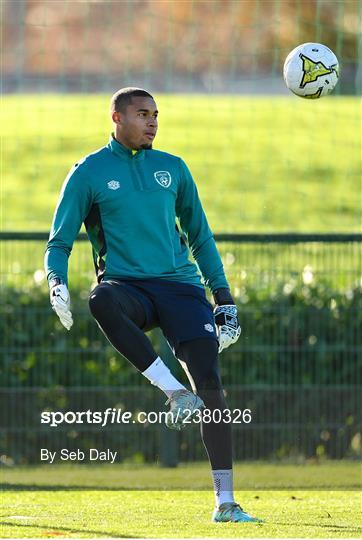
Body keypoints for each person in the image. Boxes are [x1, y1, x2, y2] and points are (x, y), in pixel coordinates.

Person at [44, 87, 262, 523]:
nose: (153, 123)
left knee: (213, 390)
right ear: (116, 117)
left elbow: (200, 236)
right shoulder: (88, 172)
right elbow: (60, 242)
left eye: (156, 115)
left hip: (181, 289)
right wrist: (56, 281)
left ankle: (225, 501)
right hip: (128, 287)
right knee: (102, 299)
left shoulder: (174, 168)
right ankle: (174, 393)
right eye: (143, 114)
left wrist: (224, 299)